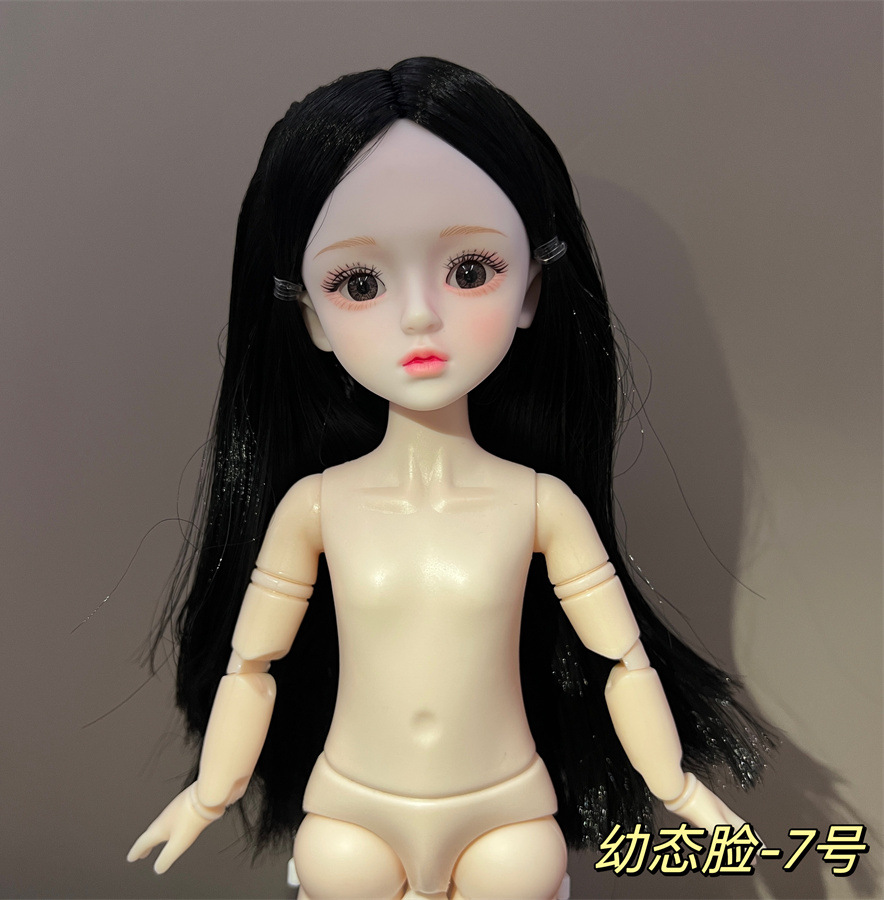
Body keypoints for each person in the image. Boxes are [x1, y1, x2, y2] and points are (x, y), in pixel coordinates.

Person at [127, 58, 771, 900]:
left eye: (470, 270)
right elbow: (253, 664)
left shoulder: (538, 506)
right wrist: (209, 795)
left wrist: (675, 786)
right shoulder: (316, 508)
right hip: (353, 812)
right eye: (361, 283)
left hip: (505, 813)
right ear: (311, 316)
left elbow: (622, 659)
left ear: (530, 290)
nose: (420, 316)